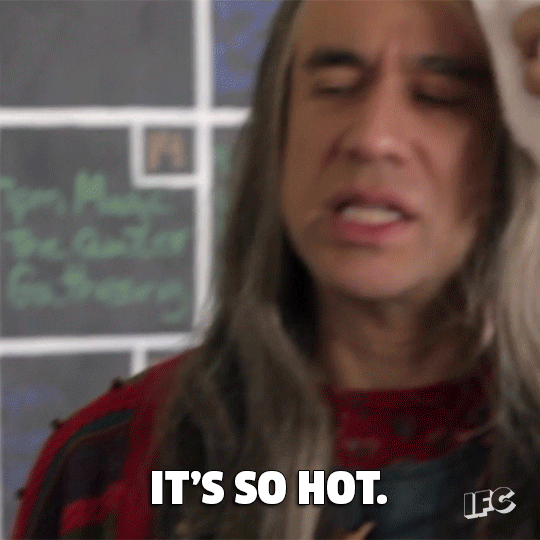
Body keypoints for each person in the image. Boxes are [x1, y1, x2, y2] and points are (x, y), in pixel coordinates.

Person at [12, 1, 540, 539]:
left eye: (438, 96)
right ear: (278, 126)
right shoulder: (108, 471)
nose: (372, 137)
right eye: (335, 87)